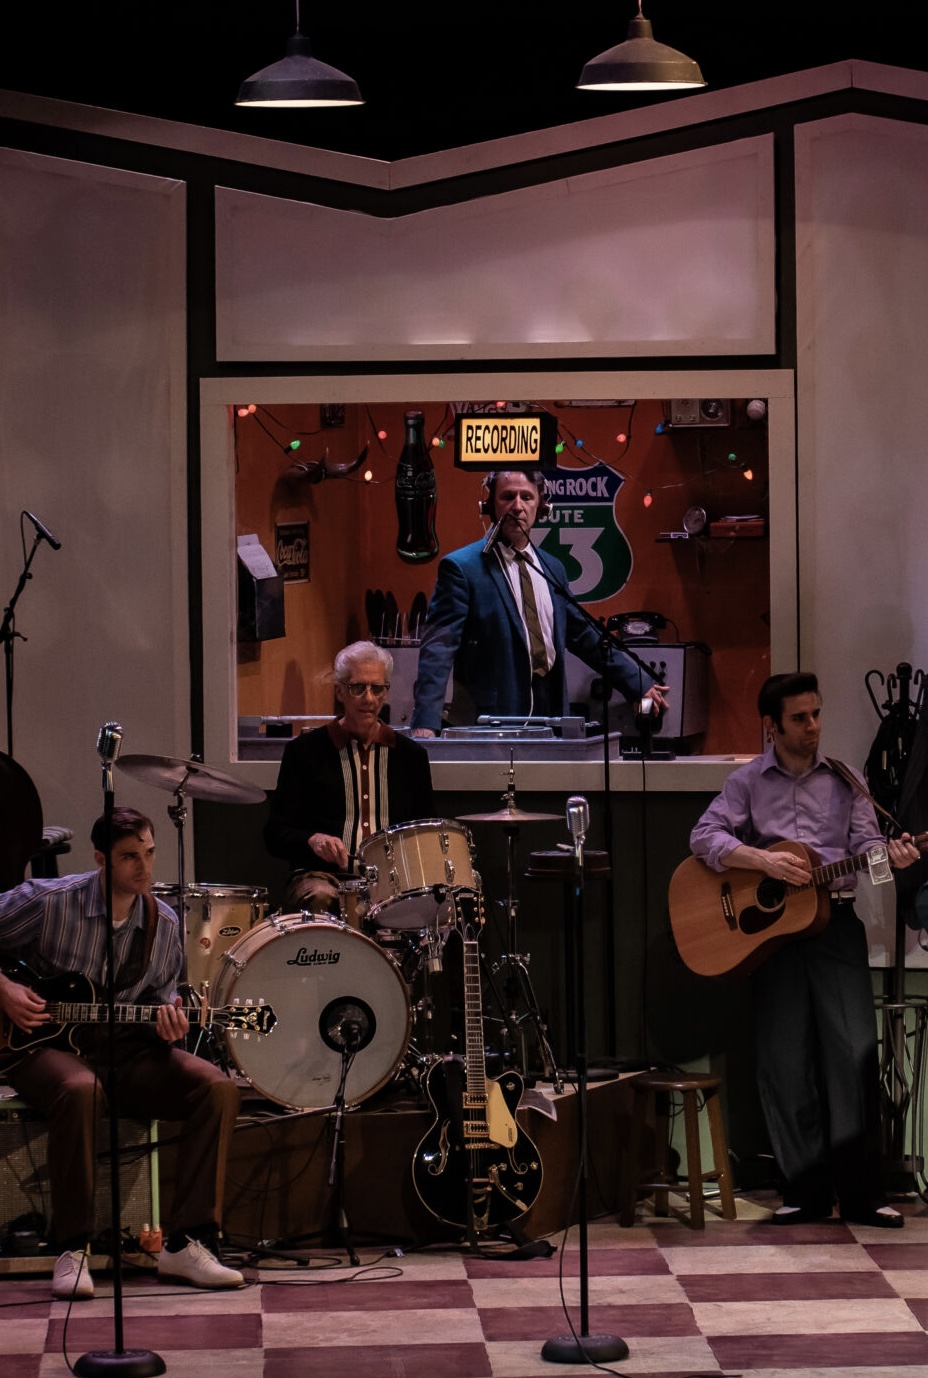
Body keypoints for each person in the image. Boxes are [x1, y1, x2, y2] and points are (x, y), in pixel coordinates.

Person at [689, 672, 921, 1227]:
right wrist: (762, 861)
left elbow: (866, 848)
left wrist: (894, 857)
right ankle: (804, 1192)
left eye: (817, 714)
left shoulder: (845, 780)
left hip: (834, 926)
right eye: (800, 718)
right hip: (772, 939)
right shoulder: (747, 783)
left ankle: (863, 1194)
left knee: (854, 1056)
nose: (813, 726)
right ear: (772, 726)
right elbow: (705, 837)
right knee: (784, 1061)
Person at [0, 807, 244, 1298]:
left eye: (149, 853)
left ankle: (187, 1242)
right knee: (80, 1089)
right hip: (39, 1045)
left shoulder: (164, 922)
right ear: (100, 860)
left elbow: (163, 999)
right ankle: (72, 1249)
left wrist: (171, 1021)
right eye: (130, 856)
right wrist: (3, 988)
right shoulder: (49, 902)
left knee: (215, 1087)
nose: (144, 867)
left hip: (127, 1050)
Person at [409, 469, 668, 735]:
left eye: (527, 497)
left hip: (550, 717)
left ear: (541, 506)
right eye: (507, 496)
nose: (517, 506)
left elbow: (585, 636)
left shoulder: (552, 567)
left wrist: (638, 683)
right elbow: (438, 649)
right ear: (490, 506)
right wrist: (426, 722)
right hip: (489, 723)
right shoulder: (462, 568)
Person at [264, 640, 435, 912]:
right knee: (321, 895)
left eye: (377, 689)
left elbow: (425, 834)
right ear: (340, 692)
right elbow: (276, 834)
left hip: (393, 880)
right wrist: (313, 840)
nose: (369, 698)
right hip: (321, 875)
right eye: (358, 688)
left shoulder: (410, 757)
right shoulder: (305, 752)